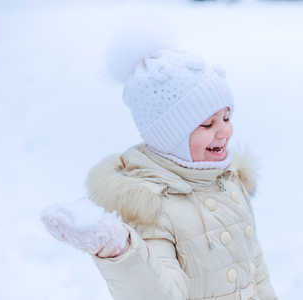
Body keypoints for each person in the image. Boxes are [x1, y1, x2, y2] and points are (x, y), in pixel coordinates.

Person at [42, 34, 278, 300]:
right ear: (170, 137)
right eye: (208, 124)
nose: (225, 130)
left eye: (226, 116)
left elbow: (256, 270)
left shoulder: (229, 179)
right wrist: (121, 252)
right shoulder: (152, 204)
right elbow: (162, 293)